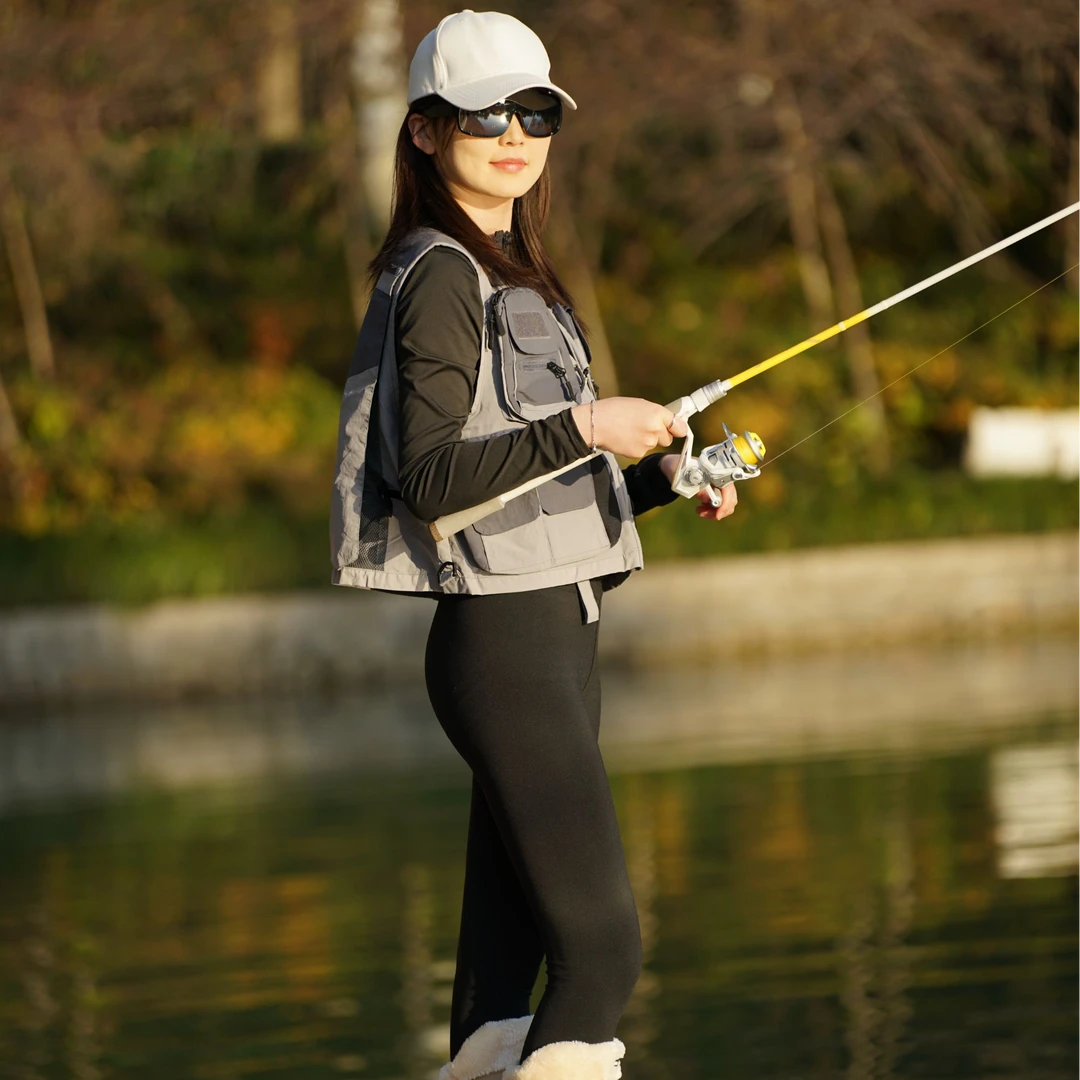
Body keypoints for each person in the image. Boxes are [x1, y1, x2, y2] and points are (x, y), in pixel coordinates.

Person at [328, 10, 737, 1079]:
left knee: (497, 989)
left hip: (555, 635)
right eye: (483, 114)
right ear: (424, 131)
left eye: (536, 111)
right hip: (506, 655)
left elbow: (531, 499)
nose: (515, 134)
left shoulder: (519, 273)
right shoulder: (441, 280)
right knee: (602, 956)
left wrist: (655, 478)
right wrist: (591, 426)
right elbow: (428, 482)